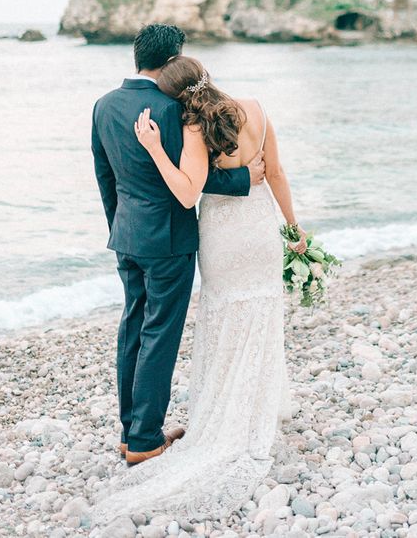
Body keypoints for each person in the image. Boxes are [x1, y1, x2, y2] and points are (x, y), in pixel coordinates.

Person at [93, 54, 306, 522]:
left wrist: (153, 148)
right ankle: (259, 408)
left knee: (222, 316)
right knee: (262, 314)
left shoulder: (192, 126)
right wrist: (295, 230)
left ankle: (214, 416)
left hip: (219, 239)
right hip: (261, 231)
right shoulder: (256, 106)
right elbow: (276, 173)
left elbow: (189, 191)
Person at [91, 24, 266, 468]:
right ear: (173, 59)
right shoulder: (177, 107)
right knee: (159, 334)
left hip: (127, 236)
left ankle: (130, 430)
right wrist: (246, 177)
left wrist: (120, 229)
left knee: (132, 326)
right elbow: (196, 178)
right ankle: (146, 439)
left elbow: (106, 177)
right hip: (168, 238)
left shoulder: (103, 105)